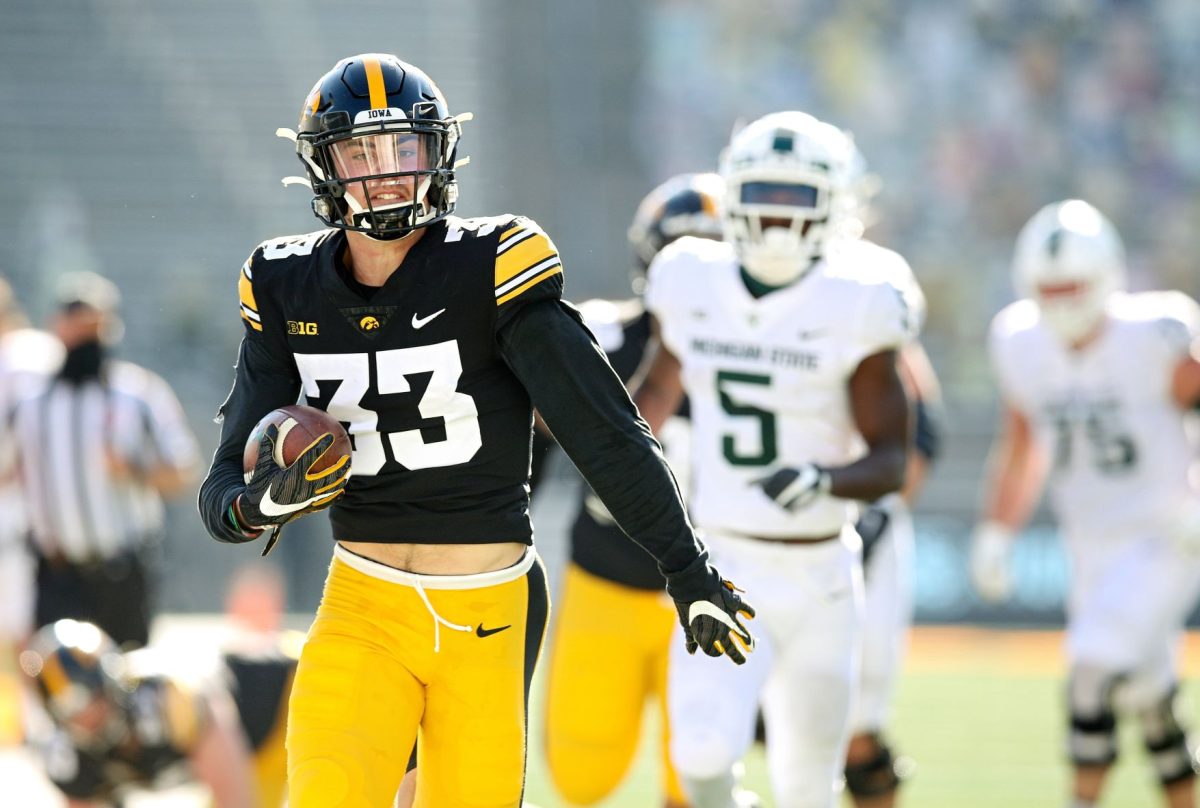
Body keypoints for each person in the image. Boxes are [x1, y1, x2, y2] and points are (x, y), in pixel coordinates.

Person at [196, 53, 755, 808]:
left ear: (440, 153)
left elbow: (604, 432)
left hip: (488, 610)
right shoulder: (282, 282)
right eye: (361, 153)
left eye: (405, 148)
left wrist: (684, 566)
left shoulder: (491, 264)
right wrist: (261, 504)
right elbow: (223, 492)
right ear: (322, 166)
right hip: (363, 605)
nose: (386, 172)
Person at [633, 111, 916, 808]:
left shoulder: (861, 298)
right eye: (765, 196)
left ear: (835, 207)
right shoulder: (691, 280)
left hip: (821, 574)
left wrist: (825, 479)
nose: (780, 219)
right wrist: (611, 458)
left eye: (797, 200)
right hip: (723, 563)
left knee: (806, 789)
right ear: (733, 198)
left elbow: (891, 462)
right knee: (697, 758)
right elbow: (654, 395)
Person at [969, 199, 1200, 808]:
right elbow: (1022, 444)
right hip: (1089, 545)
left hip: (1166, 535)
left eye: (1075, 286)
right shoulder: (1019, 340)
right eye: (1051, 288)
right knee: (1149, 703)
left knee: (1092, 675)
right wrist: (998, 530)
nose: (1064, 301)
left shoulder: (1158, 332)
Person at [543, 172, 724, 808]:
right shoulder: (603, 336)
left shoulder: (758, 355)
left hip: (713, 586)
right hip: (607, 582)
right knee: (579, 772)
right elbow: (531, 435)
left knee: (700, 778)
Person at [2, 272, 198, 649]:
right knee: (59, 691)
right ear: (56, 328)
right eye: (77, 328)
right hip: (57, 574)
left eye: (93, 328)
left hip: (121, 573)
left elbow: (183, 470)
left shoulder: (138, 393)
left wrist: (134, 471)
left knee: (128, 682)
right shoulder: (30, 405)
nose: (85, 340)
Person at [19, 618, 298, 808]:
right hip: (253, 750)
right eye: (73, 711)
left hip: (294, 696)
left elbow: (235, 795)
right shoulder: (69, 758)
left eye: (96, 696)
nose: (91, 716)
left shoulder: (169, 699)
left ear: (114, 681)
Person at [0, 276, 63, 744]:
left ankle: (36, 723)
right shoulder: (44, 350)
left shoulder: (15, 359)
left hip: (19, 508)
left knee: (22, 626)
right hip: (62, 506)